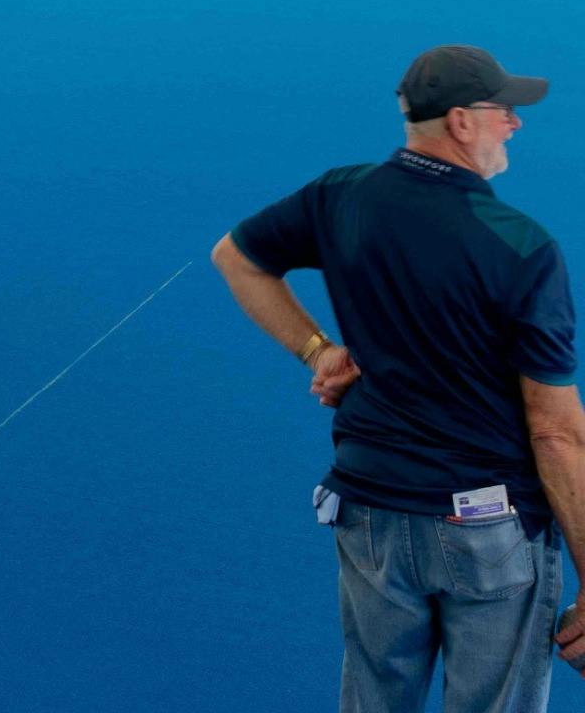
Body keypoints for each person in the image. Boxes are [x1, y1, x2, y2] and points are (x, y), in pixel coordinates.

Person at [211, 44, 585, 712]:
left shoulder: (339, 195)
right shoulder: (522, 247)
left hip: (371, 516)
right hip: (487, 530)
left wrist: (318, 352)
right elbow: (556, 433)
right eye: (503, 110)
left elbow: (236, 257)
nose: (516, 123)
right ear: (462, 121)